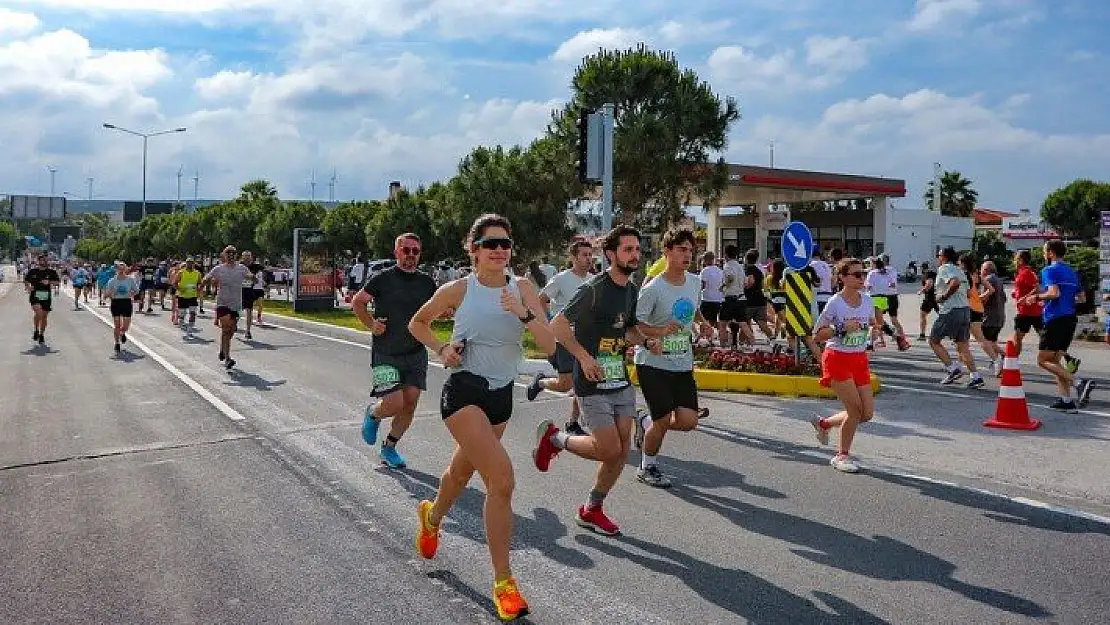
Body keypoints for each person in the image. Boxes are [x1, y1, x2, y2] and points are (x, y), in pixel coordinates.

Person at [407, 214, 553, 622]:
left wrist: (524, 313)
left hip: (501, 396)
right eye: (490, 244)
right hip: (464, 390)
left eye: (505, 243)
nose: (499, 250)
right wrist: (441, 349)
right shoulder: (458, 289)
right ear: (473, 250)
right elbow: (417, 323)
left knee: (459, 475)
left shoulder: (522, 288)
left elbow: (549, 342)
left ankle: (432, 517)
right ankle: (504, 583)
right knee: (501, 479)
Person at [533, 225, 654, 537]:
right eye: (628, 249)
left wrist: (644, 338)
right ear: (611, 254)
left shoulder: (630, 288)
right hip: (591, 380)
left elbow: (625, 331)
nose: (635, 255)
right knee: (607, 449)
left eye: (637, 250)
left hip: (619, 378)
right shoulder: (593, 289)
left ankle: (591, 509)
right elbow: (558, 324)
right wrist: (583, 358)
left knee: (623, 448)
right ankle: (555, 438)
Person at [631, 227, 712, 487]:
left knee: (688, 421)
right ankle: (648, 466)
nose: (687, 255)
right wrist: (660, 332)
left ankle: (645, 422)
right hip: (652, 363)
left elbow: (693, 307)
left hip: (682, 362)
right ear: (667, 252)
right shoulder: (653, 288)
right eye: (681, 249)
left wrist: (703, 323)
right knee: (663, 419)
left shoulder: (694, 281)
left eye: (690, 250)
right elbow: (635, 325)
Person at [352, 233, 438, 469]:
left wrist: (444, 313)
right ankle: (373, 413)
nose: (410, 255)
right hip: (385, 353)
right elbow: (358, 302)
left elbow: (438, 308)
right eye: (406, 250)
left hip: (415, 352)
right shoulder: (382, 278)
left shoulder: (427, 283)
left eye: (415, 251)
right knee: (393, 404)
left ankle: (389, 448)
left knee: (410, 402)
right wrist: (371, 324)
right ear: (396, 252)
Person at [810, 258, 883, 473]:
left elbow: (870, 321)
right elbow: (817, 335)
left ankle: (824, 424)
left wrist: (876, 328)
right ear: (842, 278)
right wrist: (841, 328)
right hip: (837, 358)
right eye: (857, 274)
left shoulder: (867, 300)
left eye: (863, 273)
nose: (862, 278)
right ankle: (841, 456)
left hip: (859, 359)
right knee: (855, 410)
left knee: (866, 414)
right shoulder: (835, 303)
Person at [527, 239, 594, 435]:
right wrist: (548, 323)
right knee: (566, 384)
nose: (588, 259)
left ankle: (573, 423)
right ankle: (540, 382)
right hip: (564, 338)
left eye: (590, 255)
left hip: (586, 339)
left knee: (583, 380)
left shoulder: (594, 280)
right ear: (573, 258)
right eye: (584, 255)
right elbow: (541, 300)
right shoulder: (561, 279)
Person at [1020, 240, 1093, 412]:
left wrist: (1036, 298)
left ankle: (1079, 383)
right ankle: (1066, 401)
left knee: (1043, 360)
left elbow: (1054, 293)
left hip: (1055, 319)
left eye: (1045, 251)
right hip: (1069, 319)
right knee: (1055, 362)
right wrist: (1063, 301)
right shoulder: (1071, 272)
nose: (1043, 254)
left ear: (1051, 253)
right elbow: (1081, 298)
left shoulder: (1049, 270)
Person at [929, 246, 984, 389]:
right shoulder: (960, 270)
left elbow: (954, 282)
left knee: (934, 341)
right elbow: (966, 292)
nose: (938, 258)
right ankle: (976, 376)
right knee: (963, 347)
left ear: (944, 257)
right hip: (965, 310)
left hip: (951, 311)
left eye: (939, 255)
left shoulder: (945, 268)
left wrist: (943, 296)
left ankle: (952, 368)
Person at [202, 246, 253, 370]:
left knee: (231, 330)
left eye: (233, 253)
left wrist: (254, 279)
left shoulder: (242, 268)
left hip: (236, 304)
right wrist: (206, 281)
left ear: (236, 255)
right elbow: (206, 279)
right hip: (222, 303)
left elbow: (250, 276)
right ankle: (228, 358)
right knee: (226, 328)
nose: (231, 255)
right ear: (224, 255)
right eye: (228, 253)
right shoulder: (218, 269)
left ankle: (223, 350)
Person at [865, 256, 910, 351]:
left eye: (870, 263)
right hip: (884, 298)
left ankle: (872, 343)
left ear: (874, 264)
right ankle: (873, 342)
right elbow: (892, 284)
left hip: (874, 298)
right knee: (879, 323)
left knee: (875, 322)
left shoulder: (872, 273)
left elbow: (868, 287)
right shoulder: (887, 273)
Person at [24, 254, 60, 345]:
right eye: (41, 260)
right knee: (39, 313)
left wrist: (49, 282)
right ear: (38, 261)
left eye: (45, 260)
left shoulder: (51, 272)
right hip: (35, 295)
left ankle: (41, 334)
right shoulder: (33, 271)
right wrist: (28, 287)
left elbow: (57, 282)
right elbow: (26, 281)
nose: (43, 262)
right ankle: (36, 329)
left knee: (44, 317)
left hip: (46, 296)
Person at [104, 262, 140, 353]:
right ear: (116, 270)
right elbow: (106, 294)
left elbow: (136, 291)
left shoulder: (130, 280)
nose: (121, 271)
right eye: (119, 269)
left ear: (125, 270)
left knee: (126, 325)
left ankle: (122, 333)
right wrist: (112, 293)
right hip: (116, 302)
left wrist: (130, 294)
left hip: (126, 302)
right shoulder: (112, 281)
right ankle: (117, 343)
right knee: (117, 325)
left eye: (123, 269)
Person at [979, 261, 1006, 375]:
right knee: (992, 341)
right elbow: (1004, 298)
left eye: (981, 268)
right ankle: (1003, 356)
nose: (980, 270)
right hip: (1000, 316)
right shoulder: (999, 280)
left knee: (984, 341)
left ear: (985, 270)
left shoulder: (988, 280)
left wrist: (975, 300)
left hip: (989, 316)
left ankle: (998, 361)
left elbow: (984, 299)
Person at [698, 251, 725, 344]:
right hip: (718, 299)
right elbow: (723, 285)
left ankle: (702, 337)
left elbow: (702, 285)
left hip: (706, 298)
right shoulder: (720, 271)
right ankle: (710, 338)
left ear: (706, 260)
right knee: (713, 320)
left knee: (703, 320)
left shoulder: (705, 271)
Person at [174, 257, 203, 332]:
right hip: (183, 296)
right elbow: (174, 283)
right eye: (188, 262)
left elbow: (200, 283)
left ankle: (190, 326)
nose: (189, 264)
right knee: (182, 313)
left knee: (193, 312)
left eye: (191, 263)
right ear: (186, 263)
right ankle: (181, 322)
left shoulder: (197, 273)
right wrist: (180, 289)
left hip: (193, 296)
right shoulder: (181, 272)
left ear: (193, 264)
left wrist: (199, 289)